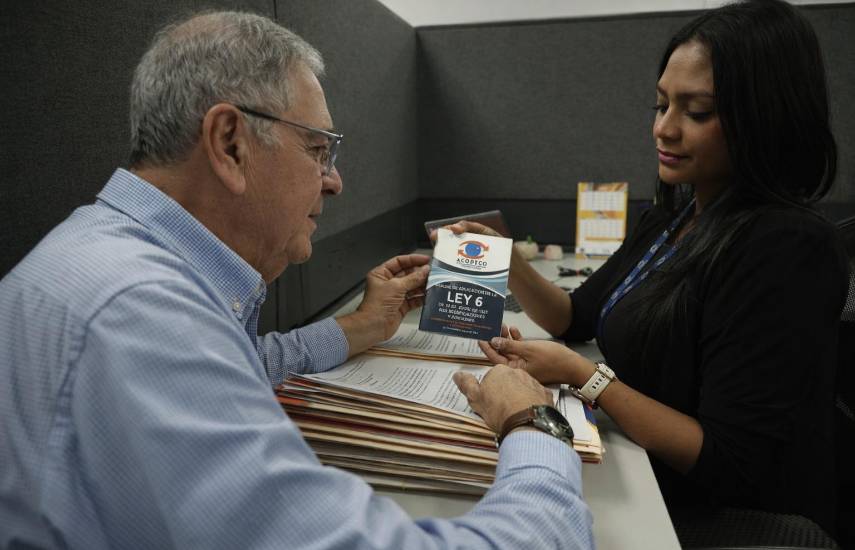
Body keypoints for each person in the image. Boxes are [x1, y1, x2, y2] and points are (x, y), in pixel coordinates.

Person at [0, 11, 594, 550]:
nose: (333, 182)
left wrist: (358, 329)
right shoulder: (139, 313)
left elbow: (232, 363)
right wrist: (533, 423)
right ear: (231, 143)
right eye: (318, 150)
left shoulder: (107, 255)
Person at [448, 0, 849, 536]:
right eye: (660, 105)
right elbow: (575, 317)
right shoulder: (676, 215)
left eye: (697, 112)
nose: (665, 129)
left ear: (765, 117)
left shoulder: (784, 247)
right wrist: (508, 259)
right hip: (640, 465)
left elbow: (734, 461)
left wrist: (583, 377)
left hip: (717, 509)